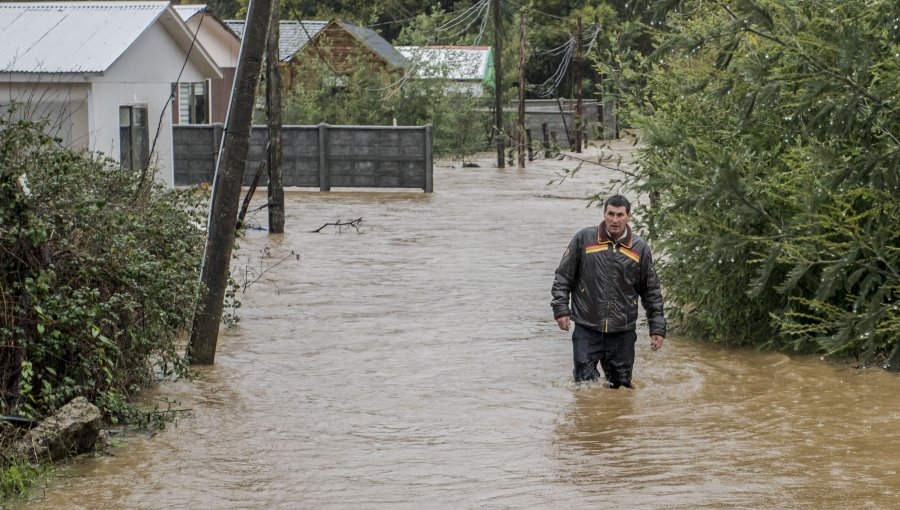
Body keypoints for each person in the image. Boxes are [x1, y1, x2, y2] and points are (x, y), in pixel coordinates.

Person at [551, 194, 666, 387]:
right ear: (604, 214)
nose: (615, 219)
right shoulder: (584, 239)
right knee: (584, 388)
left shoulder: (639, 248)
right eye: (610, 214)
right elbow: (563, 277)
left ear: (628, 216)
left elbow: (651, 291)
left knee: (621, 389)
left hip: (623, 332)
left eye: (620, 215)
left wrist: (657, 328)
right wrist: (561, 309)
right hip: (587, 328)